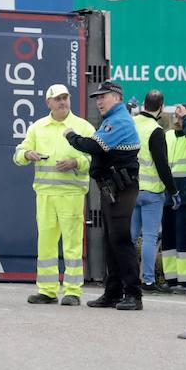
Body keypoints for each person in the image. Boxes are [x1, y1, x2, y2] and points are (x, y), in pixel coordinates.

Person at [13, 84, 94, 306]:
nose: (62, 102)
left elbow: (96, 158)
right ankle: (47, 290)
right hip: (45, 195)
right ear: (48, 102)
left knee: (72, 244)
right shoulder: (38, 127)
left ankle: (73, 291)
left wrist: (76, 162)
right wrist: (27, 154)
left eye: (65, 98)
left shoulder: (83, 127)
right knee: (46, 244)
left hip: (71, 194)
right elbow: (18, 153)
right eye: (57, 99)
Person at [65, 80, 143, 309]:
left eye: (103, 96)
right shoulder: (110, 120)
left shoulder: (118, 121)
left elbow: (93, 146)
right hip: (111, 188)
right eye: (96, 98)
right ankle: (113, 293)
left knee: (120, 240)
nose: (98, 101)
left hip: (122, 187)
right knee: (111, 241)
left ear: (117, 98)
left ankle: (133, 295)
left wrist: (71, 136)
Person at [130, 90, 176, 292]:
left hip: (131, 190)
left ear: (143, 103)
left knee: (129, 237)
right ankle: (147, 280)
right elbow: (162, 165)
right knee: (149, 237)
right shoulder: (156, 131)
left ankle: (123, 277)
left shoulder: (131, 123)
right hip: (152, 193)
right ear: (161, 107)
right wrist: (173, 191)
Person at [158, 103, 186, 293]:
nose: (176, 118)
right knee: (168, 238)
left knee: (185, 237)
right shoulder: (167, 135)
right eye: (175, 115)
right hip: (167, 191)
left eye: (180, 115)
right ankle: (172, 279)